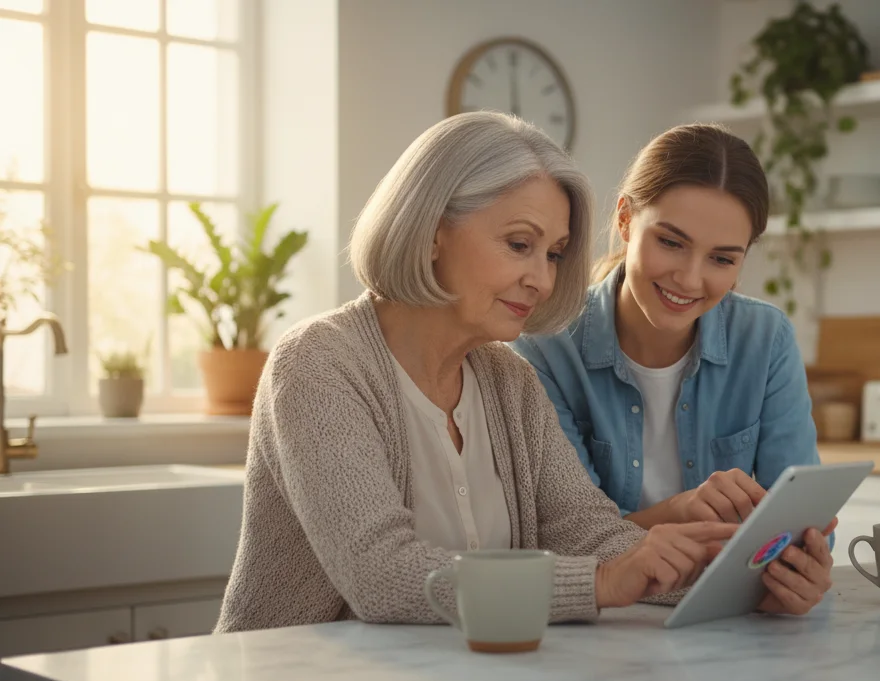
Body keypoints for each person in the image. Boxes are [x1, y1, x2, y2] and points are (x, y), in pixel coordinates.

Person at [215, 112, 751, 633]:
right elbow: (380, 575)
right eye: (520, 245)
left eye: (555, 254)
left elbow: (588, 535)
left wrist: (739, 576)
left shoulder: (508, 382)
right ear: (431, 232)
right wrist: (603, 581)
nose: (541, 279)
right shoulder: (318, 364)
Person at [510, 124, 833, 614]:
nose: (689, 278)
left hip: (732, 626)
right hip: (599, 624)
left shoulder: (766, 340)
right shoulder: (547, 347)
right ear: (625, 219)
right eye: (671, 242)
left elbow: (800, 517)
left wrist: (802, 571)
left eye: (722, 258)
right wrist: (678, 514)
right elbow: (565, 535)